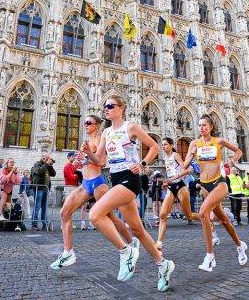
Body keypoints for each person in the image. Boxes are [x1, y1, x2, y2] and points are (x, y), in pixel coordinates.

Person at [82, 96, 175, 292]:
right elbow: (99, 160)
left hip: (130, 178)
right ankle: (163, 264)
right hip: (115, 178)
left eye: (110, 106)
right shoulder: (106, 132)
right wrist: (87, 153)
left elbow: (154, 147)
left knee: (95, 214)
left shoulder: (130, 127)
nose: (106, 109)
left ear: (121, 108)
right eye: (104, 106)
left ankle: (125, 252)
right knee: (138, 230)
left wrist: (142, 164)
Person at [51, 114, 136, 270]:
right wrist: (79, 162)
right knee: (64, 213)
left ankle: (131, 243)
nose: (85, 125)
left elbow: (102, 162)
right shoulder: (87, 142)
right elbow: (85, 162)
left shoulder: (99, 140)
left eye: (89, 123)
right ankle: (68, 252)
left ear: (96, 125)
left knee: (110, 217)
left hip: (97, 183)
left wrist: (88, 154)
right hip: (85, 183)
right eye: (84, 122)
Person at [184, 114, 248, 271]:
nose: (201, 128)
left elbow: (238, 151)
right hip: (205, 186)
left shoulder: (218, 141)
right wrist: (191, 153)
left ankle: (210, 257)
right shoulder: (194, 143)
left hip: (219, 183)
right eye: (199, 125)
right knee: (224, 221)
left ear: (211, 127)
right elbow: (185, 165)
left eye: (204, 125)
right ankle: (240, 246)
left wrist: (233, 160)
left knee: (203, 213)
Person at [155, 137, 196, 250]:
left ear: (172, 145)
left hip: (181, 185)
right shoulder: (165, 157)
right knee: (163, 215)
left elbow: (187, 169)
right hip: (171, 187)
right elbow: (170, 173)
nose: (163, 147)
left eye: (166, 144)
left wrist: (173, 178)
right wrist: (167, 182)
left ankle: (206, 219)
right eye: (162, 145)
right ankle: (159, 242)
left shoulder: (175, 155)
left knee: (189, 215)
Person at [30, 154, 56, 231]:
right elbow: (39, 171)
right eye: (48, 158)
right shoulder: (36, 164)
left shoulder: (47, 166)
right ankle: (34, 224)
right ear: (43, 158)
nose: (49, 160)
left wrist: (50, 165)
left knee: (44, 207)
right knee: (37, 206)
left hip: (45, 188)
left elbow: (53, 174)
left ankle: (44, 223)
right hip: (38, 188)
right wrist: (46, 164)